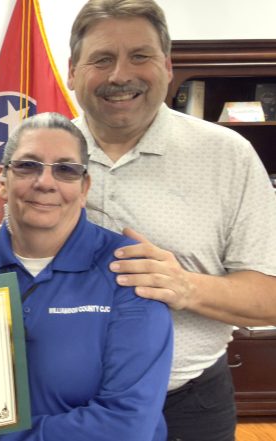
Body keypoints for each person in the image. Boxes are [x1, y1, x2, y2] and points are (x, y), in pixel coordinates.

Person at [66, 1, 276, 440]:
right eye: (102, 59)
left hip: (186, 407)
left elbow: (269, 295)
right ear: (72, 72)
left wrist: (184, 286)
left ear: (167, 65)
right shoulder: (41, 157)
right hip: (60, 403)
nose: (120, 75)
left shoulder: (227, 156)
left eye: (140, 56)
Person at [0, 112, 172, 441]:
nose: (45, 182)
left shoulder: (129, 272)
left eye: (66, 170)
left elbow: (126, 425)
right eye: (28, 165)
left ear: (84, 188)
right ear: (1, 180)